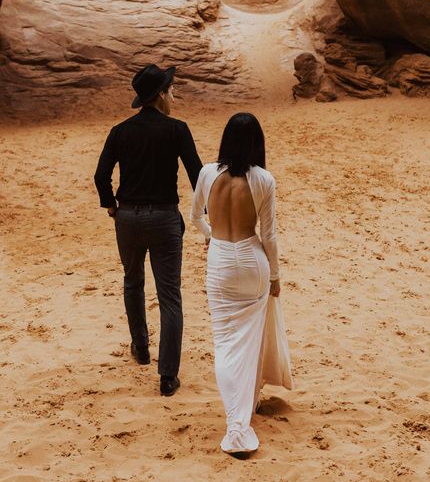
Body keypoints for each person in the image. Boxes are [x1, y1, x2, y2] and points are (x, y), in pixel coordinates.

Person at [94, 63, 202, 397]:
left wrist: (111, 205)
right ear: (160, 94)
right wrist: (204, 214)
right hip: (165, 218)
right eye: (171, 90)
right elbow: (198, 176)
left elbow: (101, 175)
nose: (174, 95)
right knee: (169, 295)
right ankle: (167, 377)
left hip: (127, 218)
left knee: (132, 281)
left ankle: (140, 348)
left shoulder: (120, 131)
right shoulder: (177, 129)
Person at [190, 112, 292, 455]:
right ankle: (245, 411)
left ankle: (237, 422)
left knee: (225, 343)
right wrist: (276, 275)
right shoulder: (264, 179)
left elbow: (194, 218)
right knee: (252, 337)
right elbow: (270, 236)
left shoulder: (206, 173)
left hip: (220, 260)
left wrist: (210, 236)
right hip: (252, 261)